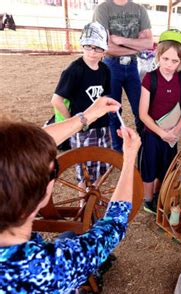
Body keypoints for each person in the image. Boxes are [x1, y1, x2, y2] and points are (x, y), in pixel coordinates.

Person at [0, 97, 142, 294]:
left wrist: (86, 117)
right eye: (53, 170)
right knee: (70, 237)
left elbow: (16, 154)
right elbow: (115, 222)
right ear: (45, 191)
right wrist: (130, 157)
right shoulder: (49, 268)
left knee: (68, 235)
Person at [51, 21, 112, 192]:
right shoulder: (74, 70)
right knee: (85, 169)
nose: (92, 52)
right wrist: (75, 123)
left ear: (104, 50)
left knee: (103, 164)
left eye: (97, 48)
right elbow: (56, 100)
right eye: (88, 46)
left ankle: (95, 198)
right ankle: (83, 203)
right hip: (83, 128)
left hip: (103, 126)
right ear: (82, 45)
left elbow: (104, 95)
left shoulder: (105, 70)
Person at [138, 29, 181, 214]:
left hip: (172, 135)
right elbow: (143, 114)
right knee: (149, 169)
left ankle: (160, 196)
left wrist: (176, 130)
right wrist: (161, 132)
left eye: (175, 61)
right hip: (153, 134)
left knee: (166, 168)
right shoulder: (150, 78)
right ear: (158, 55)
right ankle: (148, 200)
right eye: (165, 59)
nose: (169, 65)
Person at [93, 0, 153, 151]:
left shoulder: (140, 9)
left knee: (141, 109)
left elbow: (148, 43)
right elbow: (106, 47)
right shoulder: (103, 9)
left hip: (133, 65)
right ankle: (118, 151)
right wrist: (136, 46)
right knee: (114, 110)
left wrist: (120, 40)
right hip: (111, 65)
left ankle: (144, 147)